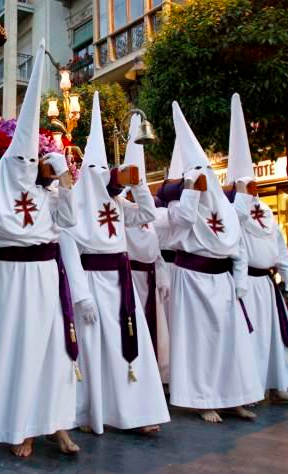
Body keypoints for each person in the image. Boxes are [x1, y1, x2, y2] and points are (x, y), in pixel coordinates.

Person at [0, 42, 80, 457]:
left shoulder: (47, 195)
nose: (27, 171)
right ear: (8, 162)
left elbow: (69, 223)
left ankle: (57, 423)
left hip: (46, 277)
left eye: (33, 163)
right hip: (9, 281)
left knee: (54, 350)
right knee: (17, 353)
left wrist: (65, 181)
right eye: (20, 163)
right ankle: (21, 427)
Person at [59, 93, 169, 436]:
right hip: (91, 285)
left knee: (127, 344)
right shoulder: (71, 207)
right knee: (92, 349)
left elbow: (149, 214)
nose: (100, 175)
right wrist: (81, 296)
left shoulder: (118, 202)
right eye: (93, 169)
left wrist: (138, 184)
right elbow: (69, 253)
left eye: (103, 169)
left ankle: (134, 412)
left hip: (120, 284)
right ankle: (92, 410)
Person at [166, 102, 262, 423]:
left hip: (222, 281)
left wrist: (241, 282)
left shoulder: (225, 207)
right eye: (197, 174)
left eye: (207, 173)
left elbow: (236, 239)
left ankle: (234, 397)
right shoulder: (185, 205)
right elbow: (181, 221)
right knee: (200, 342)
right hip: (192, 279)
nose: (205, 179)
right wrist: (191, 189)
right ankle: (201, 399)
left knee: (230, 341)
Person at [225, 93, 288, 403]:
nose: (254, 189)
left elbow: (277, 241)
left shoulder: (266, 210)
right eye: (248, 185)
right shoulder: (234, 210)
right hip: (245, 284)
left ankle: (279, 385)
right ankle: (251, 388)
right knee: (251, 338)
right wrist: (240, 192)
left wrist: (286, 271)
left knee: (274, 336)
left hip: (267, 283)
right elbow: (236, 224)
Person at [123, 114, 171, 383]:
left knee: (156, 330)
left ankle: (157, 377)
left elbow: (156, 250)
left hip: (150, 279)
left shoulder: (143, 214)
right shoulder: (120, 209)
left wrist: (161, 274)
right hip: (130, 278)